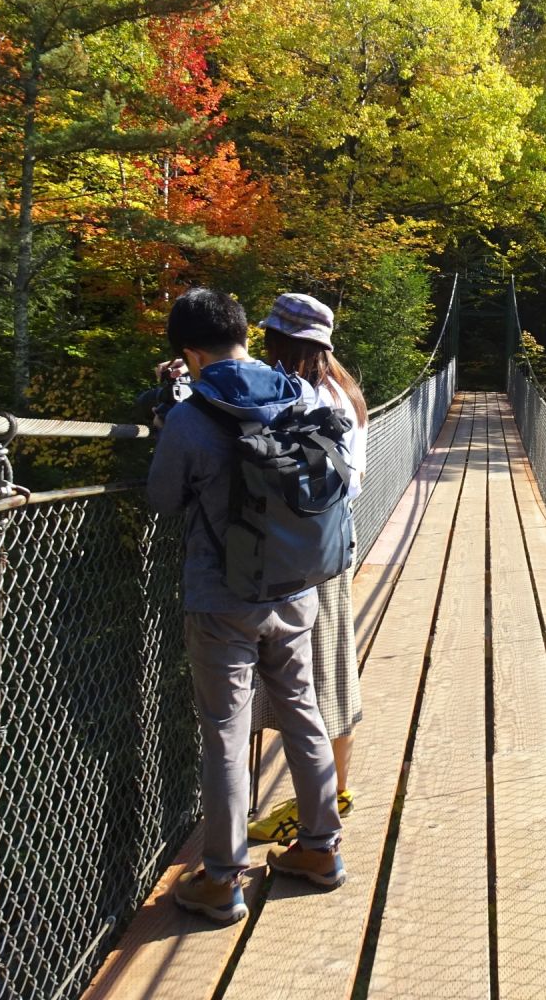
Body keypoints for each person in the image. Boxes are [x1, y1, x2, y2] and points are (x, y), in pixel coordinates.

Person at [145, 287, 346, 924]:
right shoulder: (300, 395)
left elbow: (162, 500)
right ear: (245, 335)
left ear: (190, 353)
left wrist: (165, 419)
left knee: (226, 735)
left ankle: (222, 878)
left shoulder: (191, 417)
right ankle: (320, 850)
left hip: (221, 599)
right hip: (296, 587)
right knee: (303, 714)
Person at [247, 293, 367, 833]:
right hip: (332, 544)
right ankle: (334, 791)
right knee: (330, 666)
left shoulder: (293, 394)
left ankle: (321, 804)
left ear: (279, 340)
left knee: (306, 674)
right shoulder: (344, 392)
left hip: (292, 551)